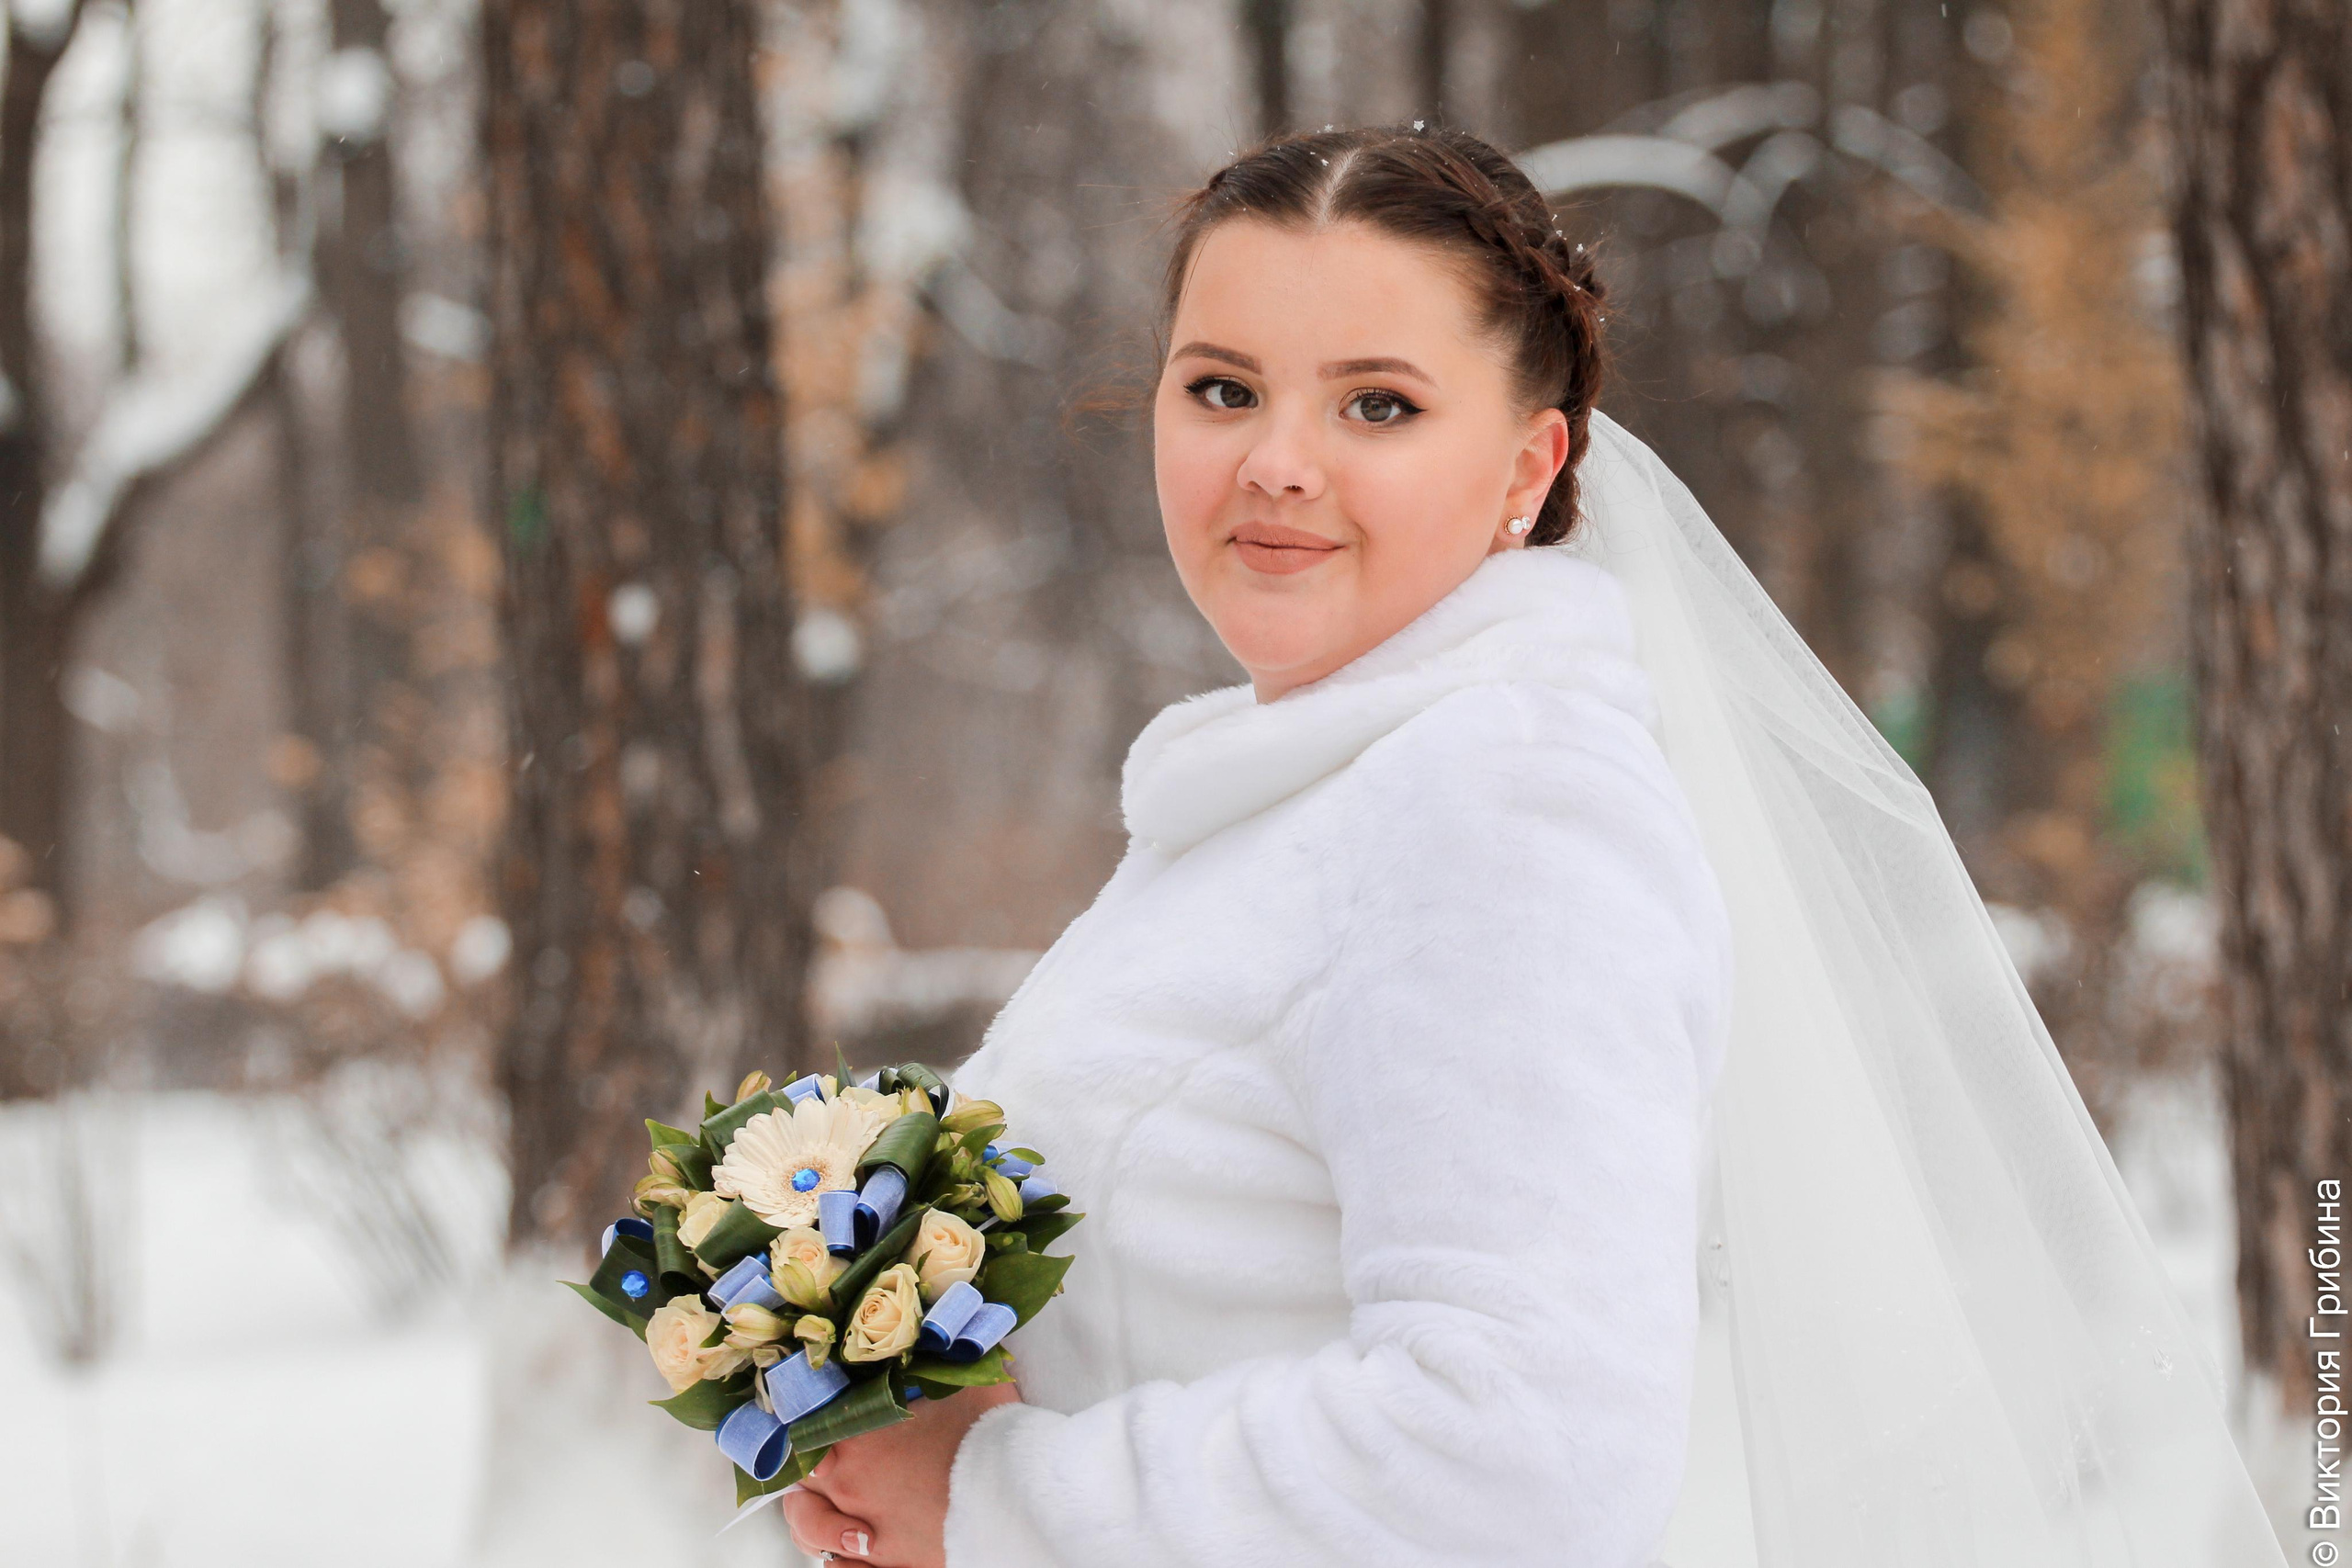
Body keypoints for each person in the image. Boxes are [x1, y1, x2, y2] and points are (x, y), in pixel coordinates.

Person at [783, 124, 2289, 1568]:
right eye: (1223, 388)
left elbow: (1524, 1462)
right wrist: (857, 1412)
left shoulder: (1498, 812)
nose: (1275, 463)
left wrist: (1000, 1502)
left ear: (1527, 467)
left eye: (1378, 404)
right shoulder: (1283, 800)